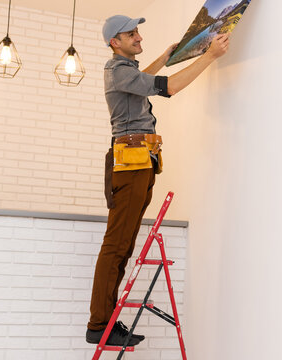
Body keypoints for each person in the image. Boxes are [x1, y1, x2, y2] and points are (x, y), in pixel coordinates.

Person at [86, 15, 229, 347]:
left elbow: (142, 78)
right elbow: (170, 87)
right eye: (130, 34)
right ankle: (98, 323)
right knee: (116, 245)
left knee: (122, 244)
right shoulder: (118, 70)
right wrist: (210, 57)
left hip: (139, 162)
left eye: (137, 31)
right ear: (114, 42)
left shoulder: (125, 72)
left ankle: (104, 323)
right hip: (131, 164)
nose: (138, 37)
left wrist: (166, 56)